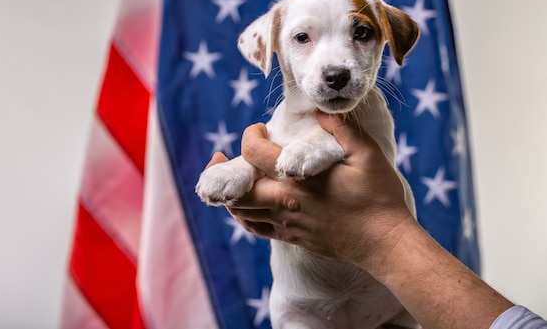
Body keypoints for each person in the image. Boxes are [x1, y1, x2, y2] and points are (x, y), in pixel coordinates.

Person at [207, 112, 547, 329]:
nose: (335, 63)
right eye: (303, 38)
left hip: (392, 310)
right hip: (303, 312)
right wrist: (242, 167)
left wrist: (381, 234)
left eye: (360, 35)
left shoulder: (373, 116)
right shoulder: (282, 121)